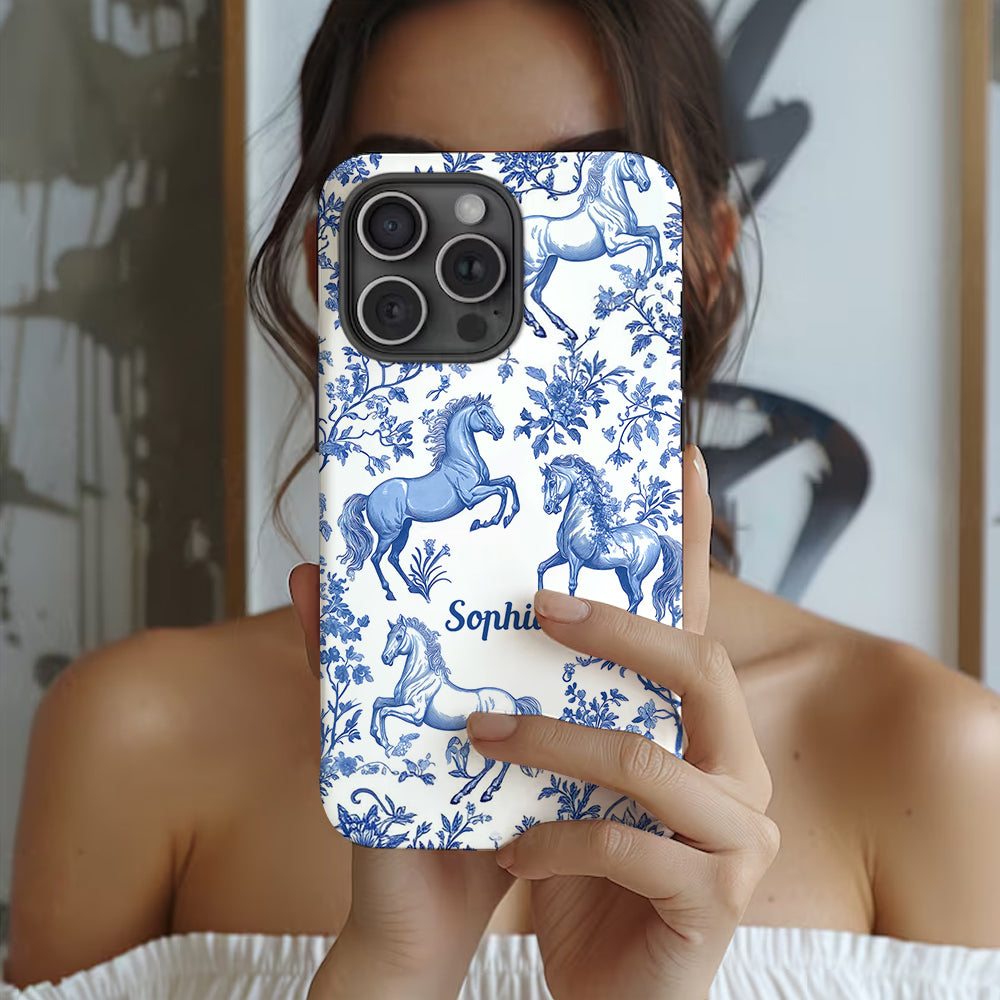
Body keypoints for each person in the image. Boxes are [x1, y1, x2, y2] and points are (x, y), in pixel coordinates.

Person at [5, 0, 1000, 997]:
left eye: (576, 192)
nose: (506, 270)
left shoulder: (935, 756)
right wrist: (395, 970)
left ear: (702, 256)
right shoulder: (134, 739)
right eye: (414, 207)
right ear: (326, 262)